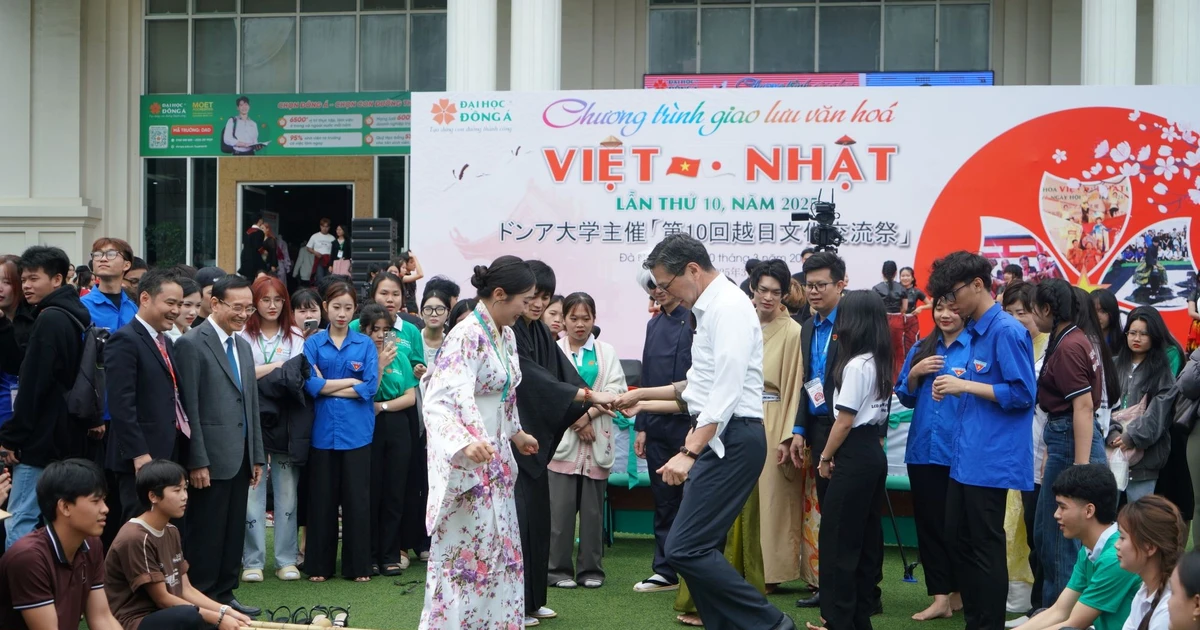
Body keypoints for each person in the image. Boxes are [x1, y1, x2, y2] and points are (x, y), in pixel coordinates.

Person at [616, 234, 794, 630]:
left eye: (665, 284)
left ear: (692, 270)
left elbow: (727, 391)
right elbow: (697, 387)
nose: (663, 294)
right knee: (694, 547)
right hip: (721, 435)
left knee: (685, 547)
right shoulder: (710, 308)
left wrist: (690, 450)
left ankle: (773, 624)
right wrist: (641, 396)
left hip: (733, 437)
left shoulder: (727, 306)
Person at [418, 256, 541, 630]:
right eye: (525, 299)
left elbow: (505, 394)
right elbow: (439, 399)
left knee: (499, 551)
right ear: (500, 295)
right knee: (466, 558)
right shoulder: (466, 333)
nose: (529, 307)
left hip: (496, 455)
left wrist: (515, 432)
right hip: (470, 461)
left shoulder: (505, 334)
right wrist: (463, 442)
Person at [924, 251, 1036, 630]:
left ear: (978, 285)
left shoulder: (1006, 330)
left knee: (984, 547)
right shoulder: (975, 331)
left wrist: (964, 385)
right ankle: (976, 619)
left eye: (954, 294)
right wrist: (954, 386)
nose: (950, 304)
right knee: (959, 541)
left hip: (991, 459)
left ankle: (987, 624)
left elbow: (1023, 393)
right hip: (965, 456)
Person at [510, 260, 613, 626]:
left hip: (535, 440)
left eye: (546, 297)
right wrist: (583, 395)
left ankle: (533, 600)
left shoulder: (537, 330)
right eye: (534, 296)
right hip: (513, 438)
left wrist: (588, 397)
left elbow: (560, 373)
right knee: (519, 524)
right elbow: (530, 378)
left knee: (538, 520)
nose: (538, 305)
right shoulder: (509, 331)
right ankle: (514, 604)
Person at [174, 274, 264, 616]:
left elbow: (250, 403)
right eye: (237, 307)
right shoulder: (192, 343)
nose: (244, 314)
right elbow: (189, 408)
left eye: (248, 308)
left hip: (240, 456)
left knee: (231, 531)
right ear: (216, 303)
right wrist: (197, 460)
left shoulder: (242, 344)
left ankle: (226, 593)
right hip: (208, 458)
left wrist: (256, 455)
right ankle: (204, 600)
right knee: (206, 532)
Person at [809, 290, 893, 630]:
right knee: (862, 539)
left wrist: (825, 457)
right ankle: (856, 618)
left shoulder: (857, 365)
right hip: (872, 452)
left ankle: (838, 619)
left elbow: (844, 421)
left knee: (838, 539)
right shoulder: (878, 360)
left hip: (854, 452)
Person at [0, 246, 94, 549]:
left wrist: (13, 438)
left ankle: (20, 592)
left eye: (33, 279)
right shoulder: (76, 314)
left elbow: (33, 386)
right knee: (57, 520)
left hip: (42, 439)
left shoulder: (50, 318)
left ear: (57, 279)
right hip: (70, 434)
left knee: (21, 517)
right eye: (23, 279)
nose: (26, 286)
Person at [1032, 278, 1112, 608]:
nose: (1031, 315)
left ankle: (1059, 616)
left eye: (1033, 308)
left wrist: (1079, 471)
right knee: (1049, 534)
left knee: (1058, 540)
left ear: (1048, 309)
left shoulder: (1068, 346)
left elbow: (1082, 406)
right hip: (1064, 436)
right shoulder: (1072, 338)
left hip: (1071, 438)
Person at [105, 459, 253, 630]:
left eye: (185, 488)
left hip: (169, 614)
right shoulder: (136, 537)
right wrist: (218, 618)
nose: (185, 496)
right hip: (136, 621)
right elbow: (163, 599)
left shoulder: (171, 530)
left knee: (206, 620)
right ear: (153, 496)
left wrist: (225, 610)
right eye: (177, 490)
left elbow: (185, 589)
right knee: (192, 617)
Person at [548, 292, 629, 590]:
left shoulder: (606, 352)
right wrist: (575, 421)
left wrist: (587, 416)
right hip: (562, 443)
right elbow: (548, 394)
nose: (580, 325)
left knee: (593, 512)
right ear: (563, 320)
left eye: (586, 318)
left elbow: (616, 390)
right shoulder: (553, 351)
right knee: (560, 511)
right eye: (573, 318)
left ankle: (591, 570)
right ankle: (557, 570)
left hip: (598, 441)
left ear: (594, 320)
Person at [896, 295, 967, 621]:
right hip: (924, 451)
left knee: (959, 526)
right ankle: (940, 597)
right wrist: (915, 373)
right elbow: (905, 396)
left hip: (962, 451)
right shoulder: (921, 348)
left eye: (952, 308)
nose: (945, 314)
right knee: (929, 525)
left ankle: (959, 593)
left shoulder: (975, 348)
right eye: (939, 308)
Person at [301, 282, 379, 583]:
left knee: (357, 500)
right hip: (322, 432)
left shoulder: (365, 344)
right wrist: (350, 383)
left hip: (357, 433)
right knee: (322, 499)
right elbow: (310, 385)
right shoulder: (313, 344)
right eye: (336, 307)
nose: (342, 314)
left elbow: (370, 387)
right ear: (325, 307)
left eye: (348, 308)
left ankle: (358, 567)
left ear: (354, 309)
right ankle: (319, 566)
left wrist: (329, 386)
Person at [786, 251, 850, 610]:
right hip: (818, 427)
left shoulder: (853, 323)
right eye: (809, 285)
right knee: (826, 510)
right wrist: (799, 429)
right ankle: (829, 589)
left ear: (841, 284)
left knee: (848, 515)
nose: (813, 292)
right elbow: (806, 381)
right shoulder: (809, 326)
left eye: (821, 285)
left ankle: (858, 592)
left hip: (849, 428)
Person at [238, 275, 308, 583]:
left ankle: (286, 559)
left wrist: (260, 373)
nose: (271, 306)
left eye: (278, 300)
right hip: (251, 418)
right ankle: (252, 560)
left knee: (287, 492)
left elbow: (297, 377)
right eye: (265, 300)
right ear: (255, 302)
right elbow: (240, 375)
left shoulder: (295, 335)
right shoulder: (242, 334)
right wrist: (275, 369)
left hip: (286, 420)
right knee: (253, 491)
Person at [105, 269, 188, 522]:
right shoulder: (125, 340)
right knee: (141, 524)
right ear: (145, 298)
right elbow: (121, 404)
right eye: (170, 303)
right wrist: (139, 454)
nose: (176, 310)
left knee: (165, 525)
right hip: (140, 459)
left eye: (180, 304)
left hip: (168, 450)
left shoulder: (166, 342)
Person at [1014, 464, 1140, 630]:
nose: (1056, 514)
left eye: (1063, 506)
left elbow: (1073, 624)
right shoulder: (1089, 549)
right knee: (1043, 614)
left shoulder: (1115, 556)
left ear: (1089, 511)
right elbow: (1059, 611)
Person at [630, 267, 694, 594]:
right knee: (663, 499)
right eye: (652, 287)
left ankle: (692, 570)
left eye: (662, 285)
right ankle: (665, 569)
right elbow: (646, 377)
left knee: (691, 500)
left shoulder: (695, 321)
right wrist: (641, 426)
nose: (658, 291)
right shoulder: (652, 324)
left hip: (690, 425)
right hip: (655, 424)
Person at [0, 459, 120, 630]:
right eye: (95, 501)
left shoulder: (91, 544)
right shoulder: (29, 558)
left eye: (104, 500)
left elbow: (102, 619)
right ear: (64, 507)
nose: (105, 509)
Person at [747, 260, 806, 591]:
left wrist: (787, 436)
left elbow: (796, 387)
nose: (768, 298)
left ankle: (771, 571)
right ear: (753, 290)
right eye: (762, 290)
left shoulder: (794, 332)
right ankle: (740, 563)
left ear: (784, 294)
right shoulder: (743, 324)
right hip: (741, 415)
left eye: (775, 292)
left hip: (774, 417)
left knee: (772, 497)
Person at [358, 303, 418, 577]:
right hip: (366, 427)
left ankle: (390, 554)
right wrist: (379, 365)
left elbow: (410, 397)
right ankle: (369, 555)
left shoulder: (402, 357)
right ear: (365, 331)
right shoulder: (359, 356)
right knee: (371, 490)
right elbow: (365, 392)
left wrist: (383, 407)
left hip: (395, 423)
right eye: (375, 330)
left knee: (395, 490)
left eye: (386, 329)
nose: (381, 335)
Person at [1003, 279, 1051, 609]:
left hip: (1038, 448)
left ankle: (1034, 599)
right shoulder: (1004, 341)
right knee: (1009, 523)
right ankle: (1012, 594)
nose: (1018, 319)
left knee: (1034, 527)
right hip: (1007, 447)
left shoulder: (1051, 347)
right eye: (1010, 312)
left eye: (1023, 312)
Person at [1106, 307, 1179, 501]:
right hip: (1110, 453)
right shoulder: (1112, 366)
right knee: (1107, 518)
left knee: (1139, 519)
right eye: (1132, 333)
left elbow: (1159, 413)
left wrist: (1132, 436)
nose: (1136, 338)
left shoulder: (1163, 372)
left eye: (1143, 334)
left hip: (1145, 462)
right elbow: (1103, 404)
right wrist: (1112, 433)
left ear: (1154, 336)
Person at [1115, 495, 1186, 630]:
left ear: (1150, 547)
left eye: (1122, 537)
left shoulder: (1168, 611)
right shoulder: (1145, 591)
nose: (1116, 545)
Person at [350, 272, 426, 375]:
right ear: (373, 295)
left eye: (395, 294)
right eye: (384, 293)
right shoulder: (355, 326)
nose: (390, 299)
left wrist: (419, 370)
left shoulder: (411, 331)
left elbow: (417, 365)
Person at [873, 260, 909, 376]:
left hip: (882, 319)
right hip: (897, 320)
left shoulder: (876, 288)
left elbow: (875, 307)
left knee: (880, 349)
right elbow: (904, 308)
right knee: (898, 352)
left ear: (882, 272)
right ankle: (897, 381)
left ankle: (880, 377)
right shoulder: (902, 288)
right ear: (895, 273)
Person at [899, 266, 928, 353]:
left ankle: (912, 363)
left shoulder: (916, 292)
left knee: (912, 343)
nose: (905, 278)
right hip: (899, 320)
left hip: (911, 320)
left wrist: (921, 307)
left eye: (907, 276)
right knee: (898, 344)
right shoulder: (897, 290)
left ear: (912, 278)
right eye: (902, 276)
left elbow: (930, 304)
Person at [421, 290, 452, 366]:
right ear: (421, 313)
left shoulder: (451, 342)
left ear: (448, 313)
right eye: (428, 309)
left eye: (440, 309)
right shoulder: (412, 338)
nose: (434, 314)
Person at [167, 277, 202, 342]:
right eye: (187, 305)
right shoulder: (164, 338)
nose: (193, 312)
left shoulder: (197, 336)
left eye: (198, 305)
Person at [1092, 289, 1124, 356]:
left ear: (1113, 312)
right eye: (1093, 311)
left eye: (1103, 311)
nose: (1098, 316)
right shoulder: (1081, 341)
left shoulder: (1124, 342)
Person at [305, 219, 336, 284]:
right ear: (320, 226)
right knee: (320, 278)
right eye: (323, 226)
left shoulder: (332, 238)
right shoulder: (315, 236)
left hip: (329, 261)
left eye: (326, 227)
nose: (325, 228)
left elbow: (335, 250)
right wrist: (315, 253)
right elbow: (308, 247)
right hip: (319, 260)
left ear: (329, 227)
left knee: (329, 279)